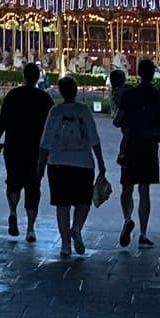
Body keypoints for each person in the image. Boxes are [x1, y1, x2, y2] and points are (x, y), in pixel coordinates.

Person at [38, 74, 108, 257]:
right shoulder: (83, 111)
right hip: (83, 163)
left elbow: (45, 142)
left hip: (58, 163)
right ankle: (76, 227)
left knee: (62, 204)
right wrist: (101, 162)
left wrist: (40, 167)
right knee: (83, 201)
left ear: (60, 92)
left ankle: (65, 245)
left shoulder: (55, 111)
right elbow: (94, 138)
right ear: (76, 91)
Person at [115, 55, 160, 245]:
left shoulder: (129, 94)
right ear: (153, 73)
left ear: (138, 73)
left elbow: (118, 119)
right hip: (150, 146)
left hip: (130, 144)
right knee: (144, 191)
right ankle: (143, 233)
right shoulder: (158, 94)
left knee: (127, 188)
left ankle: (126, 218)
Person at [0, 61, 53, 239]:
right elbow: (51, 126)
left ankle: (13, 212)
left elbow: (1, 121)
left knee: (13, 181)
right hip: (36, 149)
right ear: (38, 77)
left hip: (13, 145)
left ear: (23, 76)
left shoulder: (13, 95)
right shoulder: (44, 99)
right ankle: (31, 228)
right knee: (33, 186)